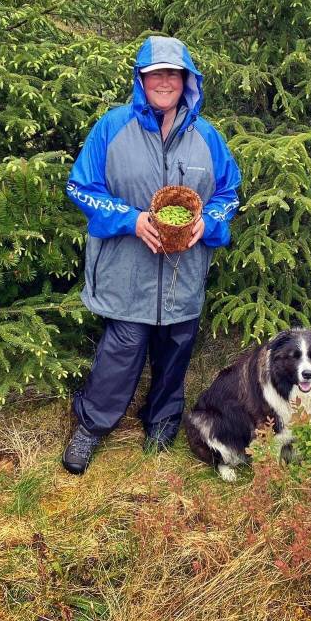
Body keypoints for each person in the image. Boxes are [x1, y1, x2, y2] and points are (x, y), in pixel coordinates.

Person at [62, 35, 241, 474]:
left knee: (176, 348)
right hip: (128, 271)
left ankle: (161, 422)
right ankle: (90, 427)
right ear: (141, 79)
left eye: (173, 74)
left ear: (187, 81)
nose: (164, 81)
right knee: (123, 349)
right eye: (155, 74)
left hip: (184, 272)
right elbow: (81, 187)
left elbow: (228, 193)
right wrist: (131, 220)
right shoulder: (113, 127)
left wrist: (209, 222)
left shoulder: (206, 136)